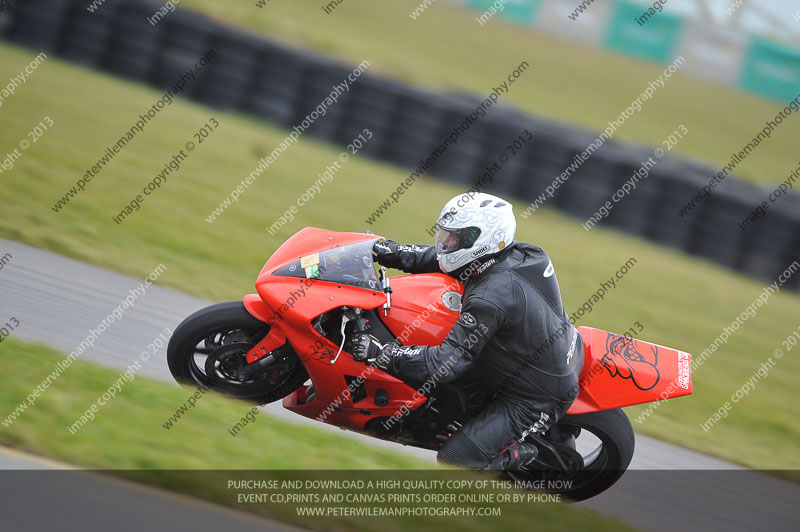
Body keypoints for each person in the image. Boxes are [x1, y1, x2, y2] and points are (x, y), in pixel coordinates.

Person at [351, 192, 584, 471]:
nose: (446, 244)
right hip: (563, 348)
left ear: (481, 240)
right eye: (445, 235)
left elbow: (442, 365)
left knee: (455, 460)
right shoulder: (527, 253)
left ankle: (524, 455)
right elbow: (445, 259)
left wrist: (381, 354)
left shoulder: (488, 299)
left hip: (535, 395)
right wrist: (391, 252)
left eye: (455, 238)